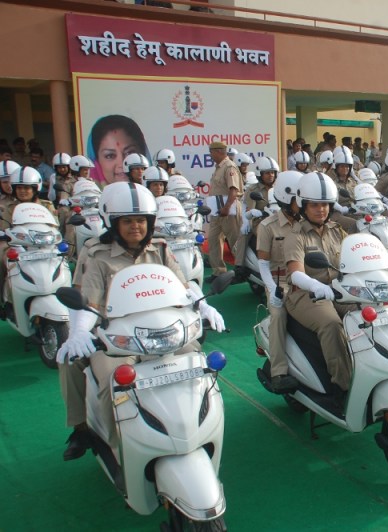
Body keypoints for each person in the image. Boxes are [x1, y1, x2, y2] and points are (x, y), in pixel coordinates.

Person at [55, 182, 225, 457]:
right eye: (127, 221)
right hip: (117, 337)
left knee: (197, 365)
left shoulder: (158, 249)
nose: (136, 227)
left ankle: (194, 426)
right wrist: (79, 332)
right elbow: (89, 300)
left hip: (164, 333)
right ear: (113, 223)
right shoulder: (97, 253)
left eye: (141, 221)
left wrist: (203, 306)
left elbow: (183, 285)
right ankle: (104, 439)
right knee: (106, 375)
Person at [284, 172, 353, 404]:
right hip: (304, 294)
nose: (321, 209)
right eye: (314, 204)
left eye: (325, 204)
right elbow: (295, 273)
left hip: (336, 289)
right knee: (331, 324)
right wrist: (316, 285)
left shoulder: (336, 230)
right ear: (303, 205)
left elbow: (352, 257)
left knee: (366, 314)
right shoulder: (296, 234)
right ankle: (340, 386)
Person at [256, 171, 303, 393]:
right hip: (279, 279)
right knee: (278, 315)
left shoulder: (307, 220)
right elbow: (263, 264)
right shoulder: (267, 226)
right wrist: (273, 289)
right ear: (286, 198)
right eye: (298, 198)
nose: (303, 202)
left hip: (306, 275)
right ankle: (278, 372)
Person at [0, 166, 58, 310]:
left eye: (27, 188)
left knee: (61, 259)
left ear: (35, 188)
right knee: (3, 257)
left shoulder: (47, 206)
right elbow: (5, 229)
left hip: (44, 245)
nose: (22, 191)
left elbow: (55, 227)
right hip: (17, 245)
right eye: (19, 188)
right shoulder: (9, 209)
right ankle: (5, 300)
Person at [205, 141, 244, 284]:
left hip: (230, 209)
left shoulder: (229, 167)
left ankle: (241, 271)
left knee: (235, 242)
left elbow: (233, 190)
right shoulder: (218, 168)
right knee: (214, 239)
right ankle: (218, 272)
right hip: (217, 210)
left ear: (219, 151)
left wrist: (227, 208)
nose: (210, 155)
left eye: (211, 152)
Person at [86, 115, 150, 186]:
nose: (122, 163)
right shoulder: (90, 195)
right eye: (110, 156)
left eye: (130, 153)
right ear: (96, 162)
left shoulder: (155, 193)